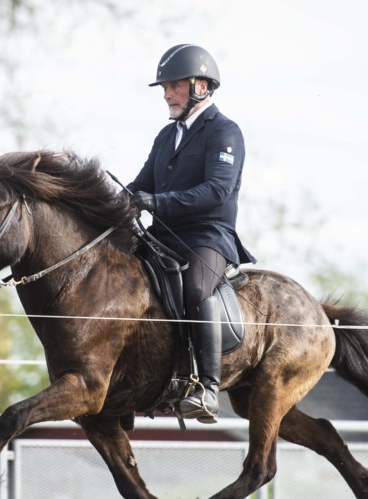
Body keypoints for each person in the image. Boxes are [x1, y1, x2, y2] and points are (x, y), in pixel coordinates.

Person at [127, 44, 255, 424]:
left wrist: (156, 202)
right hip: (163, 235)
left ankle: (207, 389)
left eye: (174, 87)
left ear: (201, 86)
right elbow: (141, 185)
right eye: (165, 88)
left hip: (207, 235)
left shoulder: (225, 132)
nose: (166, 94)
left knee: (197, 289)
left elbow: (216, 191)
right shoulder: (167, 137)